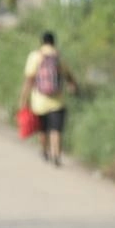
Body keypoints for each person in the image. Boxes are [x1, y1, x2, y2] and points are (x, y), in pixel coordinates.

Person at [19, 31, 78, 167]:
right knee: (56, 129)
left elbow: (29, 79)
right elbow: (68, 75)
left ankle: (44, 151)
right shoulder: (58, 57)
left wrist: (23, 98)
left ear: (42, 42)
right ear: (53, 42)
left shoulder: (35, 56)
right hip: (57, 101)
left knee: (43, 128)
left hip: (39, 101)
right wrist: (73, 86)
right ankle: (56, 155)